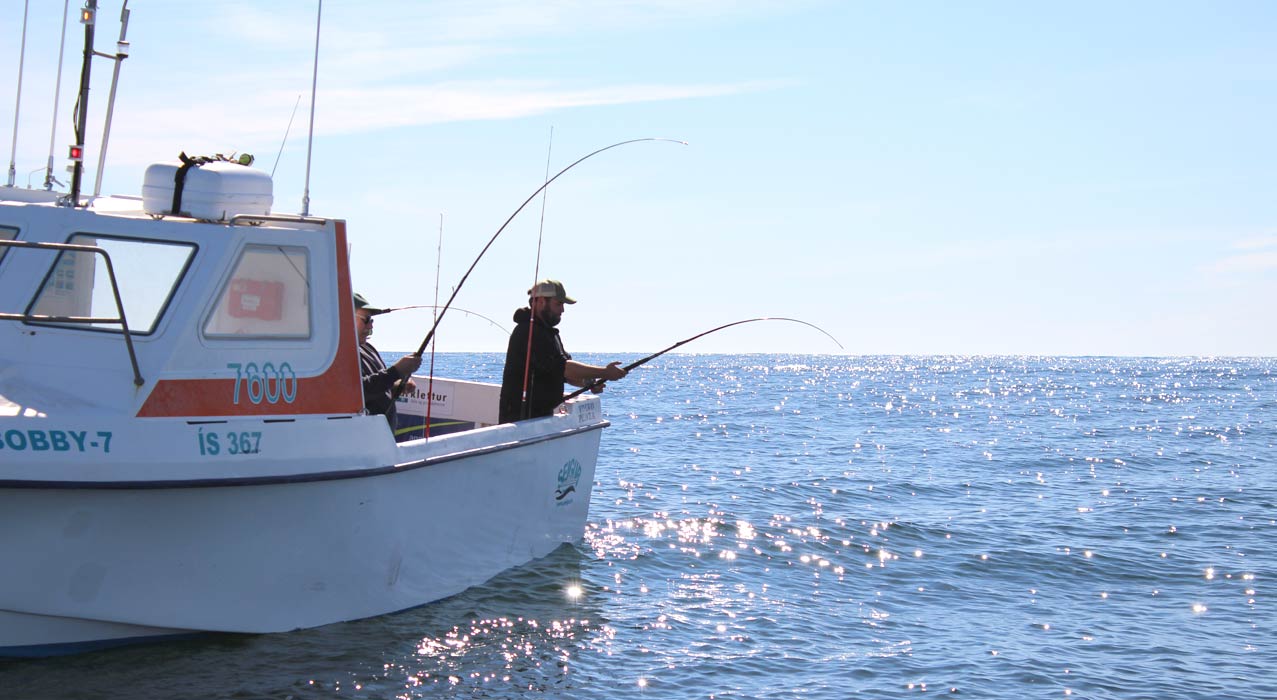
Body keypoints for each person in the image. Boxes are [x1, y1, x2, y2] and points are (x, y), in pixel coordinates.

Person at [499, 279, 627, 423]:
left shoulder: (549, 333)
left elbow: (563, 374)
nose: (562, 310)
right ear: (541, 301)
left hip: (539, 418)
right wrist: (605, 372)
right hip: (520, 420)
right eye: (558, 304)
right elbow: (564, 368)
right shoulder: (529, 331)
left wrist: (589, 382)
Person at [355, 293, 421, 431]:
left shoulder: (368, 348)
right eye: (366, 320)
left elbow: (376, 385)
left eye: (371, 321)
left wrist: (396, 385)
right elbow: (357, 391)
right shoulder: (338, 355)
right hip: (362, 439)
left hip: (383, 438)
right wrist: (397, 371)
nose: (370, 326)